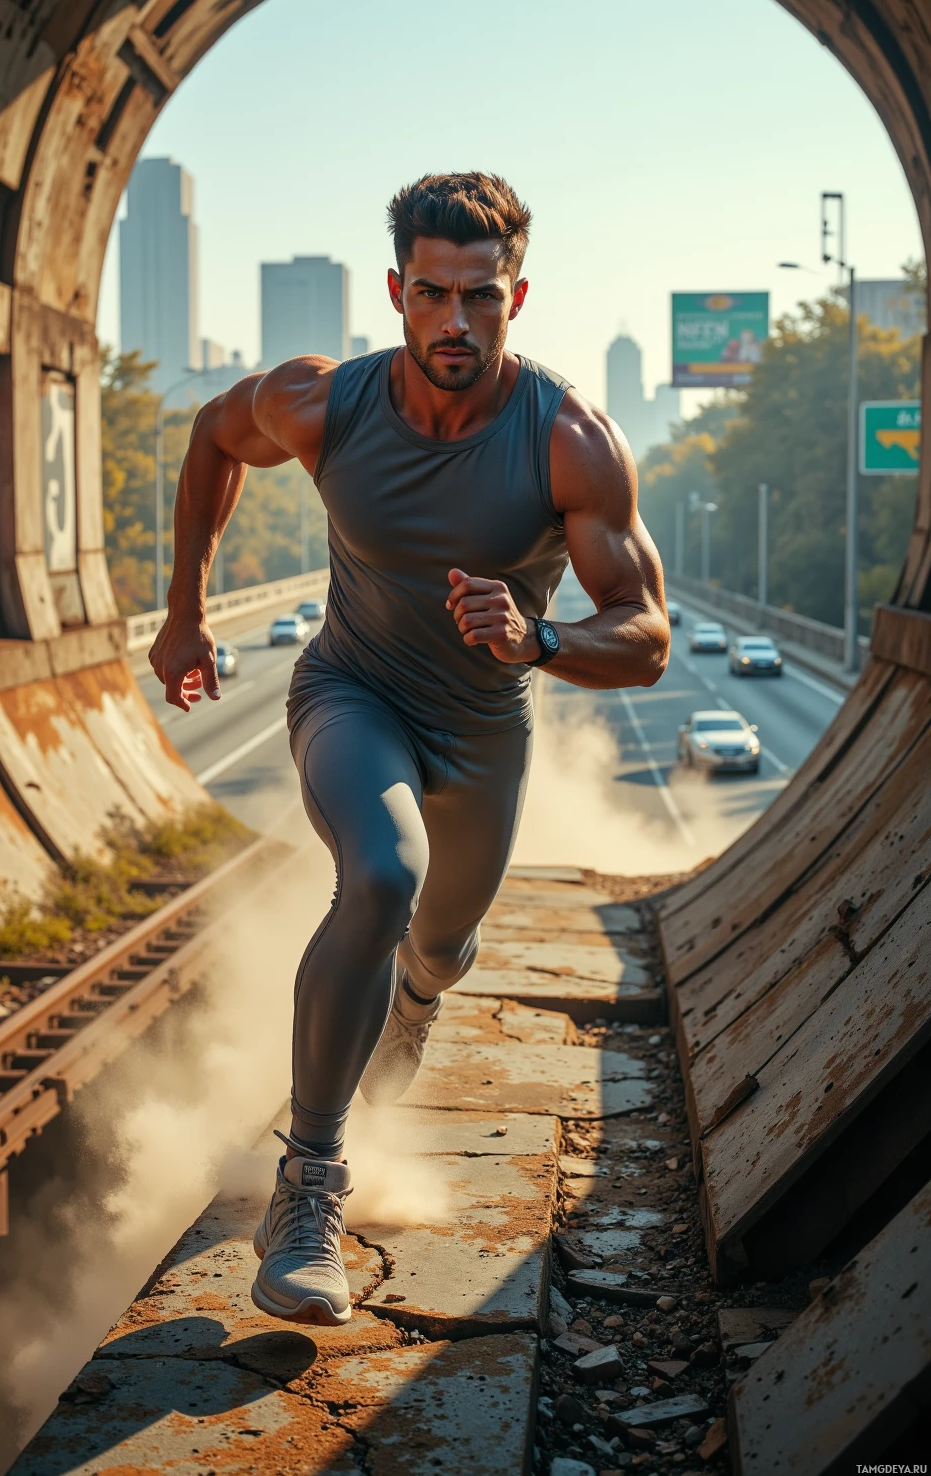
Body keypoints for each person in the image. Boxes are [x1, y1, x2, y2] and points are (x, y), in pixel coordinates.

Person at [149, 172, 669, 1327]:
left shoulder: (569, 437)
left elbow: (645, 637)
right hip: (352, 692)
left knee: (440, 948)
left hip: (484, 730)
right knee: (381, 876)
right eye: (430, 294)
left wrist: (539, 638)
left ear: (514, 297)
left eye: (477, 299)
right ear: (395, 291)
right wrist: (183, 609)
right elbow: (208, 438)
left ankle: (416, 1005)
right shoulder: (324, 403)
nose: (453, 322)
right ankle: (309, 1189)